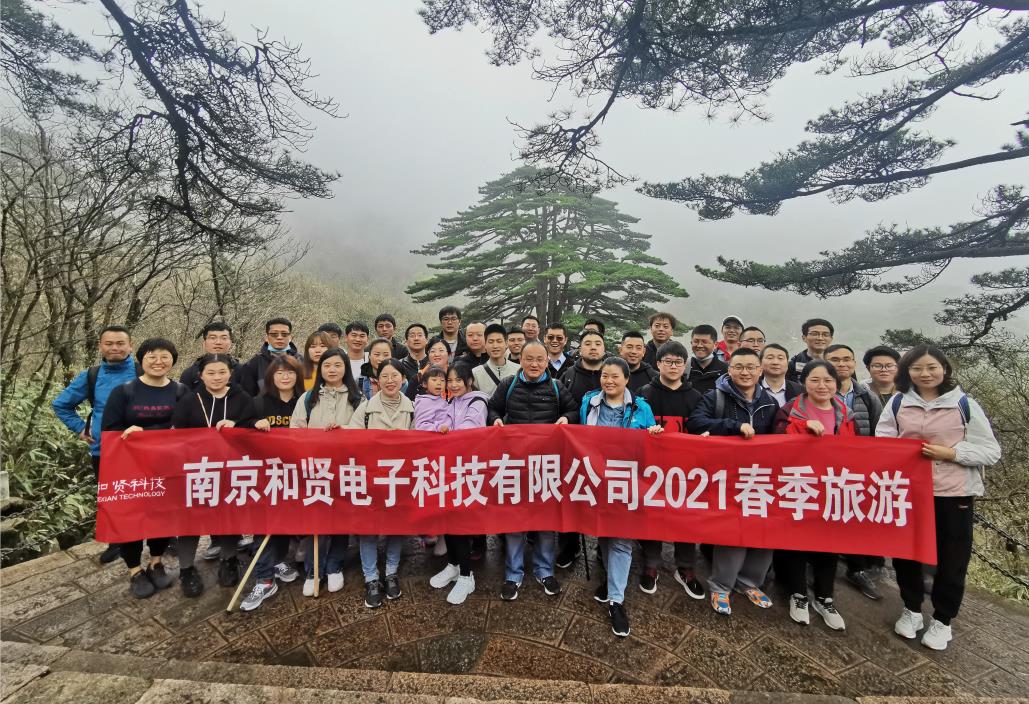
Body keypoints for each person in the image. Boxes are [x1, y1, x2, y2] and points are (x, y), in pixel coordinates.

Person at [877, 345, 1001, 651]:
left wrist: (952, 453)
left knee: (952, 558)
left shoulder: (964, 404)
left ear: (944, 369)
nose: (925, 373)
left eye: (931, 367)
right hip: (908, 492)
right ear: (907, 372)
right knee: (906, 553)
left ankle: (943, 619)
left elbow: (991, 451)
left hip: (953, 493)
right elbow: (883, 441)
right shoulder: (898, 402)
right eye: (917, 368)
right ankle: (911, 608)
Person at [688, 348, 780, 616]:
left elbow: (782, 434)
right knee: (732, 531)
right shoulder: (716, 396)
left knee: (763, 531)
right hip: (727, 475)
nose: (745, 372)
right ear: (729, 370)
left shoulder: (770, 403)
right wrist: (732, 426)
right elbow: (696, 422)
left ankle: (749, 582)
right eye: (739, 367)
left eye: (751, 367)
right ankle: (721, 585)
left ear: (760, 370)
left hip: (762, 477)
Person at [488, 341, 578, 600]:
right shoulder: (508, 384)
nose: (535, 364)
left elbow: (572, 410)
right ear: (521, 360)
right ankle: (513, 574)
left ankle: (544, 571)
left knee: (545, 522)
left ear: (547, 361)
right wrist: (495, 419)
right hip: (515, 464)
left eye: (540, 359)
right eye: (529, 359)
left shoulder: (556, 386)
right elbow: (493, 408)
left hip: (545, 465)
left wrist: (567, 419)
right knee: (514, 521)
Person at [101, 338, 186, 598]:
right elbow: (109, 430)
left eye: (165, 356)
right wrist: (128, 432)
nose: (158, 361)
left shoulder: (180, 391)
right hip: (131, 468)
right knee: (131, 520)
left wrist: (151, 433)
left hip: (168, 468)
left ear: (172, 360)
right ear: (141, 359)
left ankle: (156, 561)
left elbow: (190, 426)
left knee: (163, 517)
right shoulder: (124, 392)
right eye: (152, 356)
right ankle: (135, 570)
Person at [582, 357, 660, 637]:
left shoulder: (642, 408)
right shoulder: (589, 403)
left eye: (615, 376)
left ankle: (616, 600)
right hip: (598, 482)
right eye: (605, 375)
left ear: (627, 379)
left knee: (622, 541)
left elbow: (653, 443)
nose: (609, 381)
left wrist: (654, 433)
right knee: (604, 534)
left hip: (628, 484)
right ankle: (611, 581)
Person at [171, 353, 260, 597]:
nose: (217, 377)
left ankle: (229, 559)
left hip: (230, 469)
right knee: (190, 519)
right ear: (201, 375)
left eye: (222, 372)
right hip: (196, 470)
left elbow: (252, 425)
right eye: (211, 373)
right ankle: (186, 568)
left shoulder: (242, 397)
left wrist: (238, 426)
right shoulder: (189, 400)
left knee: (227, 514)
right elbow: (175, 434)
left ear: (230, 373)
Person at [773, 360, 853, 630]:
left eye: (828, 380)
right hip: (799, 484)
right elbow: (777, 446)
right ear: (804, 383)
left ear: (836, 383)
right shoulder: (790, 411)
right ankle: (798, 594)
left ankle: (825, 597)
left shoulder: (845, 413)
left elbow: (857, 450)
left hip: (833, 486)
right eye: (815, 380)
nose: (822, 386)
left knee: (829, 543)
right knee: (797, 541)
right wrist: (803, 429)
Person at [53, 324, 139, 564]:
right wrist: (81, 428)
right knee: (111, 497)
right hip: (105, 449)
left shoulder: (143, 370)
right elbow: (61, 404)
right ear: (100, 346)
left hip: (142, 449)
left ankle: (158, 537)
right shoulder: (91, 375)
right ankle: (117, 541)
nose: (115, 348)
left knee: (149, 493)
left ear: (130, 346)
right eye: (109, 343)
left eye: (120, 343)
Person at [291, 348, 362, 596]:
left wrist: (345, 431)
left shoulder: (357, 398)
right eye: (327, 365)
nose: (332, 370)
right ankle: (314, 570)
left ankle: (334, 566)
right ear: (320, 368)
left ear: (346, 368)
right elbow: (295, 430)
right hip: (316, 470)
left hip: (345, 469)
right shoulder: (308, 398)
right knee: (317, 522)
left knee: (341, 521)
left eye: (337, 365)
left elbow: (364, 431)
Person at [637, 341, 705, 598]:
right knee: (652, 516)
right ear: (658, 364)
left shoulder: (695, 396)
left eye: (678, 362)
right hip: (652, 469)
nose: (673, 366)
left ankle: (685, 568)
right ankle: (651, 565)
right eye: (668, 361)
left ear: (684, 365)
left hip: (686, 471)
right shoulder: (644, 393)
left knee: (685, 518)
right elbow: (634, 425)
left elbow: (700, 426)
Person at [239, 355, 306, 611]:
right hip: (267, 475)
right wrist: (253, 424)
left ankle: (277, 561)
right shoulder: (257, 403)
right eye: (279, 373)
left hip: (298, 474)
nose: (285, 377)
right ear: (270, 376)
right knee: (264, 524)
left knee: (285, 523)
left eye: (290, 372)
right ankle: (264, 579)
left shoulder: (305, 402)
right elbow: (240, 430)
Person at [348, 359, 416, 608]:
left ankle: (391, 572)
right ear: (377, 380)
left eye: (395, 375)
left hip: (399, 479)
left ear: (403, 379)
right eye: (385, 376)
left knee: (396, 526)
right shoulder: (365, 410)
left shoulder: (412, 409)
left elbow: (422, 443)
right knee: (368, 528)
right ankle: (371, 578)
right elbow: (351, 440)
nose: (390, 381)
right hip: (370, 479)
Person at [428, 363, 490, 604]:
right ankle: (453, 565)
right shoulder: (451, 401)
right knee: (448, 520)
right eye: (450, 380)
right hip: (449, 469)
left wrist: (444, 435)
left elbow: (468, 432)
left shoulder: (478, 402)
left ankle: (466, 575)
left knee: (461, 525)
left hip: (467, 470)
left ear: (469, 381)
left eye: (458, 380)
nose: (453, 385)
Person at [554, 329, 607, 569]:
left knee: (605, 502)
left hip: (606, 451)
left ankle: (604, 550)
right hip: (573, 451)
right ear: (580, 348)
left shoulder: (612, 373)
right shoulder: (568, 375)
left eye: (597, 343)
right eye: (588, 343)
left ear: (604, 348)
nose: (593, 347)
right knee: (571, 498)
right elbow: (562, 407)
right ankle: (570, 546)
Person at [232, 318, 301, 397]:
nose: (279, 337)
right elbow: (247, 396)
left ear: (290, 337)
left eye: (284, 334)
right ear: (266, 338)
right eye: (274, 334)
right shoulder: (254, 364)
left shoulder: (300, 361)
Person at [179, 322, 239, 391]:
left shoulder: (242, 371)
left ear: (230, 343)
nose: (218, 342)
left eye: (224, 338)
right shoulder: (190, 374)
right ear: (204, 343)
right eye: (213, 338)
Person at [473, 324, 519, 395]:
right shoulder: (476, 373)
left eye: (499, 341)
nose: (495, 346)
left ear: (506, 344)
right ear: (485, 345)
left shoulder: (518, 370)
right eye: (491, 342)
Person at [686, 325, 728, 395]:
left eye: (704, 342)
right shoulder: (683, 368)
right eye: (696, 341)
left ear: (715, 345)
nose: (699, 345)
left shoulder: (725, 371)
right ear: (691, 343)